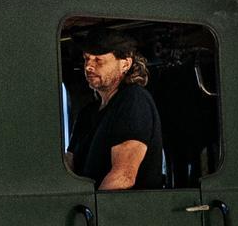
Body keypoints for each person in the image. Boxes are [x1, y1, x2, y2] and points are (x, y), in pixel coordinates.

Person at [69, 33, 168, 189]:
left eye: (98, 60)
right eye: (87, 58)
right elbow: (70, 164)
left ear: (125, 64)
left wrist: (94, 211)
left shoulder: (133, 100)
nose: (88, 66)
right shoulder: (87, 113)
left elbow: (123, 177)